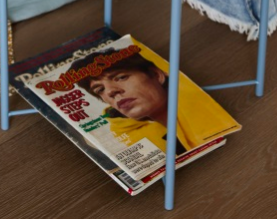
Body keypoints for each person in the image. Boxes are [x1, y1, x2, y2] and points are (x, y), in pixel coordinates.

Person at [65, 42, 239, 155]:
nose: (111, 92)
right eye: (100, 89)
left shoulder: (201, 108)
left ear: (156, 75)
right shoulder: (123, 138)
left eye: (120, 77)